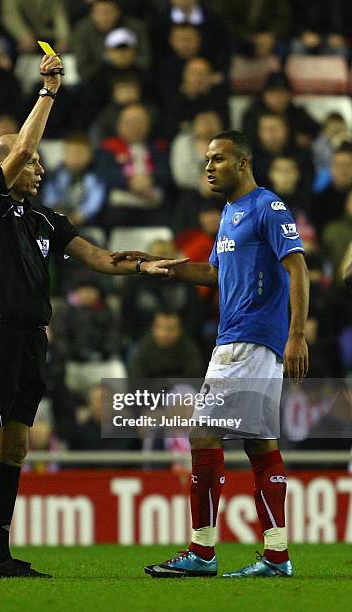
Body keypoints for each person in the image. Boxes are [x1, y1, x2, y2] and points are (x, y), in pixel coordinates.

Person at [0, 51, 187, 579]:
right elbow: (23, 145)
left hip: (33, 339)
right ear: (5, 166)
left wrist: (146, 267)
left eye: (36, 162)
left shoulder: (46, 218)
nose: (40, 166)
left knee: (15, 445)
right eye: (30, 162)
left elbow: (100, 259)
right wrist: (48, 92)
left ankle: (0, 554)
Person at [112, 130, 309, 578]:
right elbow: (214, 273)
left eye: (218, 159)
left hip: (247, 338)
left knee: (202, 434)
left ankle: (202, 551)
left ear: (242, 163)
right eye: (206, 159)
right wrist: (162, 265)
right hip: (243, 340)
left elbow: (297, 267)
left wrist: (296, 334)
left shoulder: (266, 206)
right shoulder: (229, 213)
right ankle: (277, 554)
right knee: (260, 445)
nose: (208, 167)